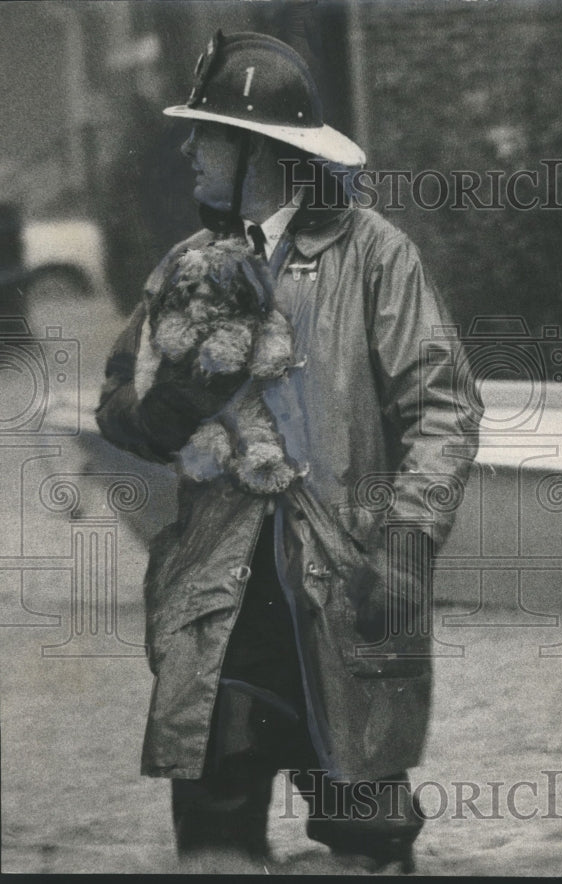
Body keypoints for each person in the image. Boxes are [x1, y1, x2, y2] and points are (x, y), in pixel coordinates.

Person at [96, 31, 481, 872]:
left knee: (372, 851)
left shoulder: (377, 253)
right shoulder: (187, 265)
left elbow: (443, 407)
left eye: (208, 133)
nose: (191, 148)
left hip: (351, 596)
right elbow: (118, 413)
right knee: (213, 853)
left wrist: (409, 547)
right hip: (218, 611)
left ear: (260, 151)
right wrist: (175, 401)